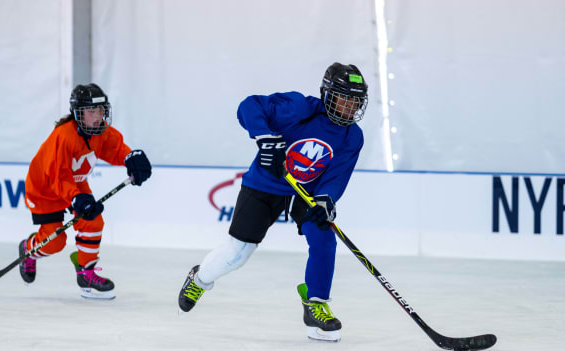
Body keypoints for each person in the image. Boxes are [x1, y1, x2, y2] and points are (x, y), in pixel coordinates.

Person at [178, 63, 368, 341]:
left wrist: (326, 200)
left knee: (324, 239)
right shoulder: (300, 108)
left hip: (308, 192)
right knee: (237, 254)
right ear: (327, 94)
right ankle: (200, 278)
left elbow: (337, 175)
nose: (350, 107)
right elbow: (250, 106)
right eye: (344, 98)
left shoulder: (353, 135)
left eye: (356, 101)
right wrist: (266, 138)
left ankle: (315, 304)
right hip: (266, 183)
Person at [19, 83, 152, 300]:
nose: (98, 116)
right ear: (78, 114)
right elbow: (57, 177)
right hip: (45, 187)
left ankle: (85, 273)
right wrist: (76, 197)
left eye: (100, 110)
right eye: (91, 111)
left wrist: (131, 159)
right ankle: (28, 249)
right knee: (54, 243)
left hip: (74, 183)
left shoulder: (100, 132)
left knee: (93, 221)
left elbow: (116, 149)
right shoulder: (64, 136)